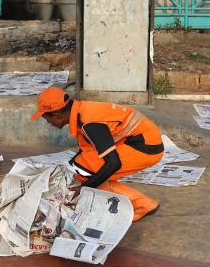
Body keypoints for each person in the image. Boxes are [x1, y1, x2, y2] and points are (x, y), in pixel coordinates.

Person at [31, 87, 164, 221]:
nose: (49, 123)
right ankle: (112, 199)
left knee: (83, 170)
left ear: (58, 113)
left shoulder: (88, 123)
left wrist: (84, 187)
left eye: (47, 119)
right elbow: (87, 151)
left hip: (146, 148)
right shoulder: (80, 112)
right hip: (137, 142)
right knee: (80, 166)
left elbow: (113, 162)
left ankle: (142, 205)